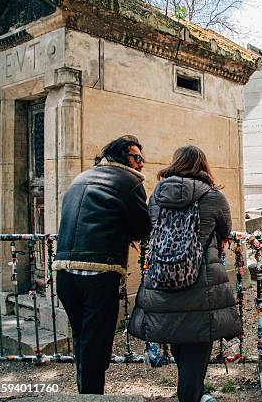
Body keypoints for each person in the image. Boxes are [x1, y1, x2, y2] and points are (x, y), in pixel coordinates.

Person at [129, 145, 241, 402]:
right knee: (198, 340)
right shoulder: (213, 196)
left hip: (161, 278)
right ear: (203, 165)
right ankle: (190, 394)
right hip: (201, 281)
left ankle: (194, 392)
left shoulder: (157, 195)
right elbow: (225, 230)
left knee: (179, 334)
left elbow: (151, 226)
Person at [53, 135, 152, 394]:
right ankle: (92, 396)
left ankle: (83, 390)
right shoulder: (130, 182)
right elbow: (143, 227)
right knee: (96, 344)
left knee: (82, 338)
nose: (141, 164)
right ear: (123, 157)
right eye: (137, 158)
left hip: (63, 272)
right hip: (98, 273)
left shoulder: (81, 178)